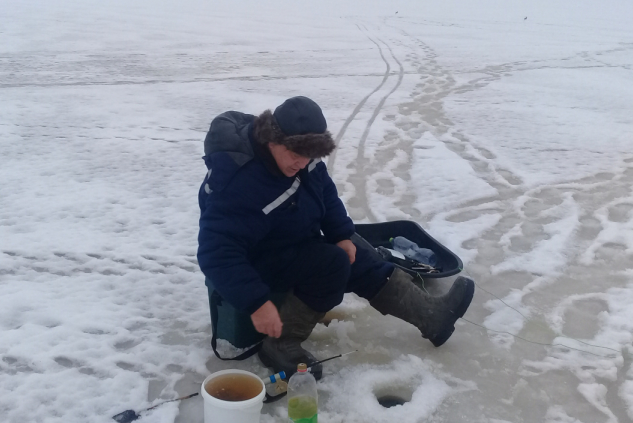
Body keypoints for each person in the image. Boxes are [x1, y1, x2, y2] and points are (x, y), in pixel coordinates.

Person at [197, 96, 474, 379]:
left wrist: (341, 234)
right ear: (271, 139)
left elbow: (325, 193)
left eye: (310, 155)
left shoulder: (304, 159)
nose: (302, 162)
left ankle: (430, 316)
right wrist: (256, 302)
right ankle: (279, 344)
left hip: (287, 236)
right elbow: (215, 252)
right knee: (332, 265)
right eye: (295, 152)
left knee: (356, 251)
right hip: (255, 258)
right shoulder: (240, 184)